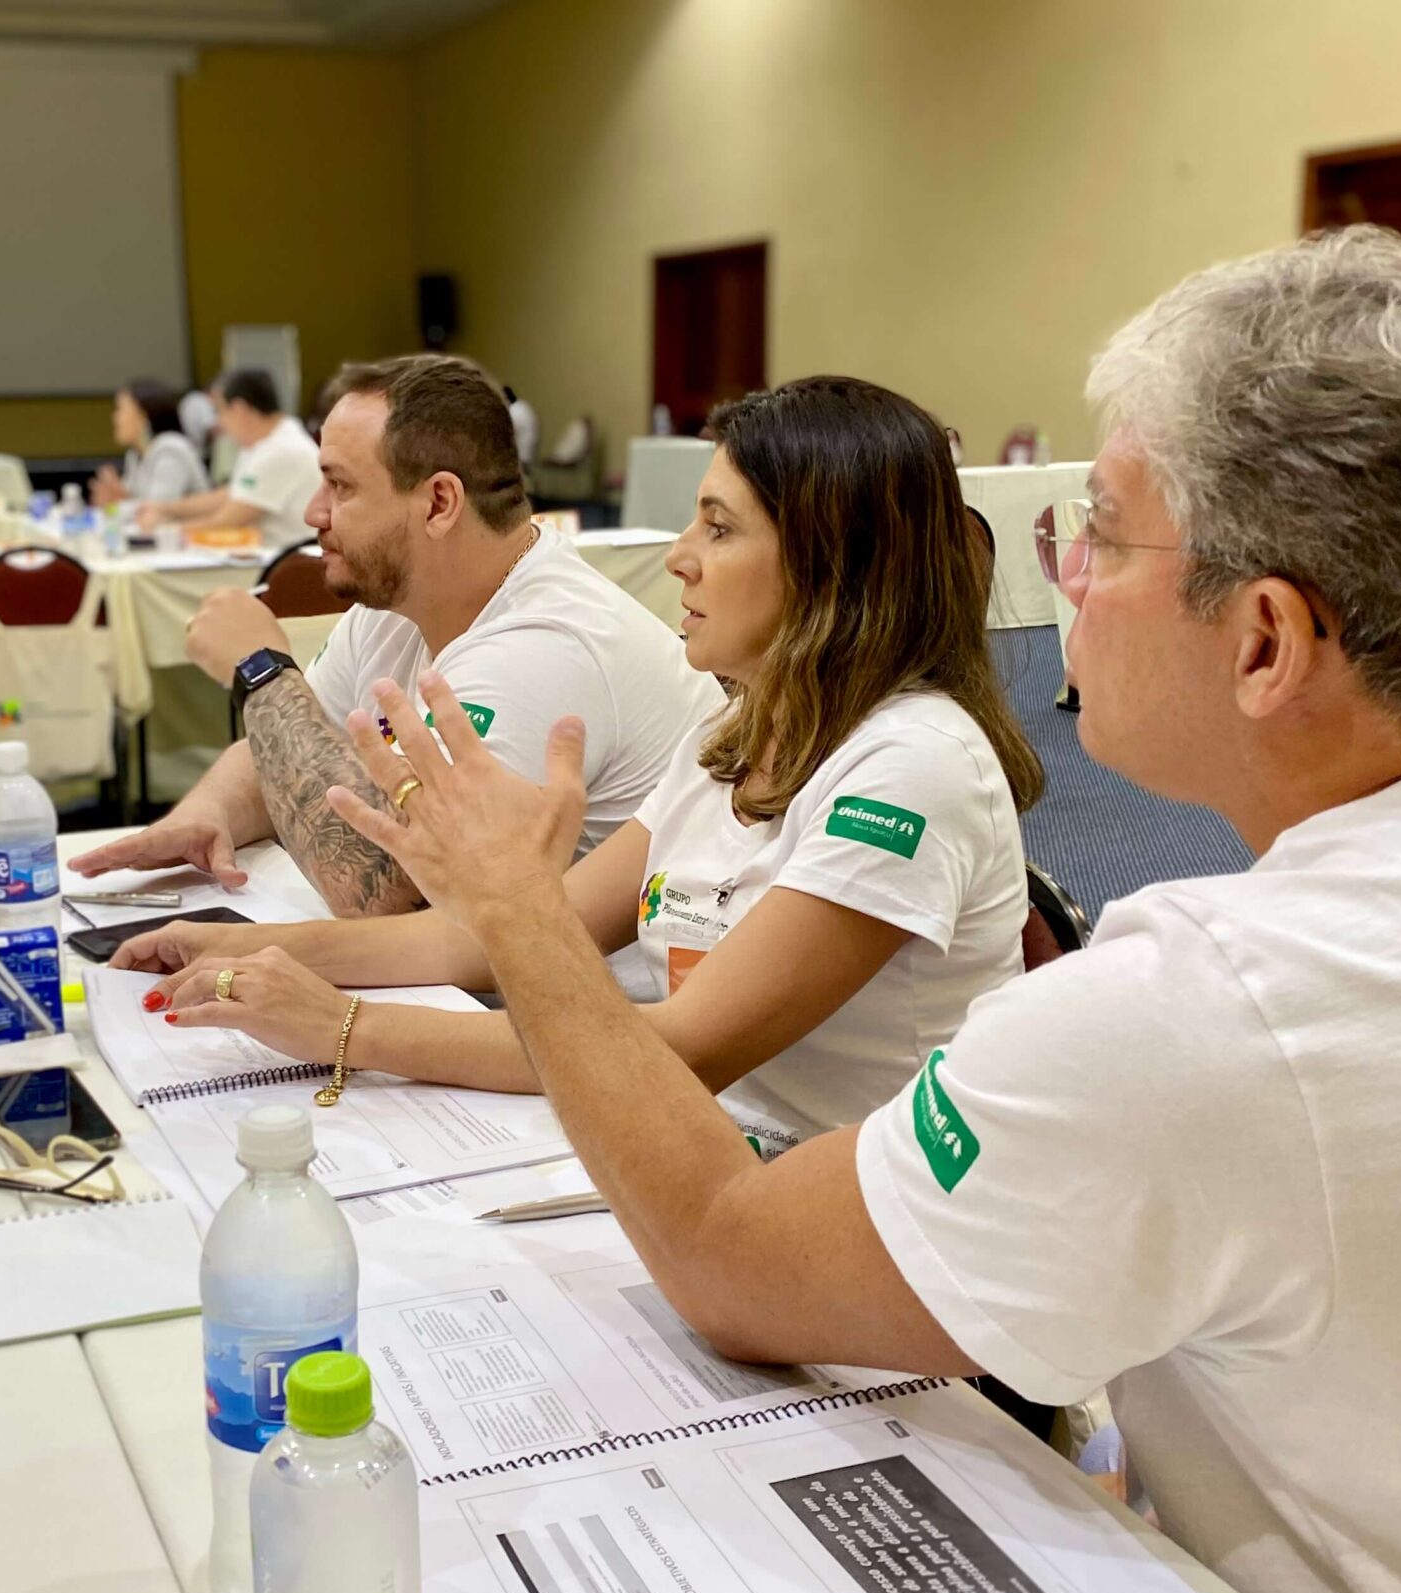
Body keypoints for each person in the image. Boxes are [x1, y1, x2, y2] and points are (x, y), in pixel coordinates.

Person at [292, 231, 1401, 1593]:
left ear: (1265, 639)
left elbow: (725, 1259)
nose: (1060, 580)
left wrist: (519, 920)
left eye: (1099, 536)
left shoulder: (1223, 1001)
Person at [117, 377, 1041, 1153]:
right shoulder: (745, 731)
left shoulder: (911, 767)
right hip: (706, 1143)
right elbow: (483, 941)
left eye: (719, 530)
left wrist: (342, 1027)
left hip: (838, 1199)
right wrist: (252, 950)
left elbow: (681, 1049)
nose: (680, 558)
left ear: (830, 566)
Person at [79, 353, 722, 920]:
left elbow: (383, 889)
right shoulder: (401, 596)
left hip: (602, 998)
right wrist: (208, 813)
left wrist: (263, 671)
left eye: (339, 485)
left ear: (439, 503)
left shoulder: (544, 645)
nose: (312, 512)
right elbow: (290, 753)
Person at [135, 366, 318, 550]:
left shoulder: (282, 449)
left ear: (239, 409)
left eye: (218, 410)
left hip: (287, 558)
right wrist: (163, 508)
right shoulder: (264, 442)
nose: (219, 421)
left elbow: (230, 520)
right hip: (268, 552)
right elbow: (233, 494)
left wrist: (163, 529)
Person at [91, 380, 207, 508]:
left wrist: (121, 500)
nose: (115, 417)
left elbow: (160, 509)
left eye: (121, 409)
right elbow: (130, 504)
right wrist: (114, 499)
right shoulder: (135, 456)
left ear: (143, 415)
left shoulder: (170, 449)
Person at [503, 383, 539, 471]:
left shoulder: (514, 411)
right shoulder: (523, 406)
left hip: (521, 452)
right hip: (529, 450)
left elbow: (508, 431)